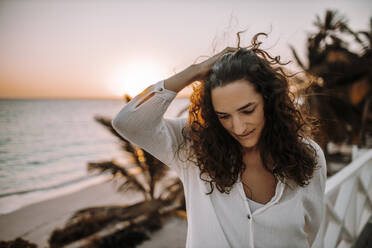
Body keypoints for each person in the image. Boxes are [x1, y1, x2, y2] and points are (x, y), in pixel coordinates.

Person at [111, 32, 327, 248]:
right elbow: (128, 122)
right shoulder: (193, 146)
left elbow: (312, 232)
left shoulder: (308, 154)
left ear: (268, 99)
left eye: (247, 110)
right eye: (224, 116)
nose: (239, 127)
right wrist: (195, 72)